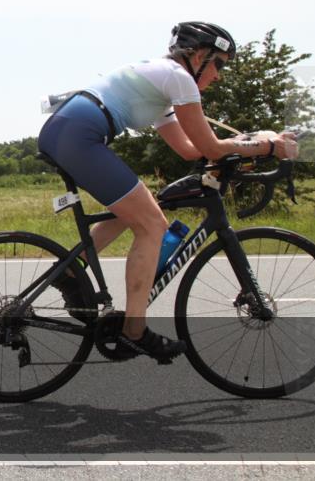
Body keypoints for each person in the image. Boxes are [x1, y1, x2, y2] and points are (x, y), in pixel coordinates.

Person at [37, 21, 299, 361]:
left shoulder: (162, 83)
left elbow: (191, 150)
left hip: (72, 131)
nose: (218, 75)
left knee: (139, 212)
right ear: (199, 55)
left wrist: (250, 140)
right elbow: (212, 147)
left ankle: (73, 270)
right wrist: (265, 145)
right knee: (153, 225)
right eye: (218, 64)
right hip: (79, 134)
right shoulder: (178, 78)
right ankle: (135, 331)